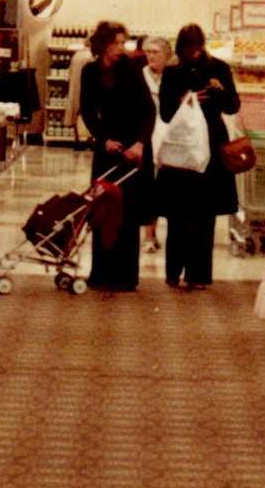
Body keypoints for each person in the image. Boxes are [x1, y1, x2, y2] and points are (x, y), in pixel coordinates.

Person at [156, 23, 240, 291]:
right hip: (183, 147)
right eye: (188, 48)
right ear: (181, 48)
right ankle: (173, 272)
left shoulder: (219, 68)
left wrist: (220, 90)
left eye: (198, 47)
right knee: (178, 214)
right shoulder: (172, 73)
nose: (194, 53)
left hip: (213, 145)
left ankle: (199, 275)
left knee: (205, 215)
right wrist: (186, 100)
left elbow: (232, 105)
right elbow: (167, 113)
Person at [78, 21, 155, 294]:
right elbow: (87, 111)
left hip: (133, 150)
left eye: (124, 43)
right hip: (107, 148)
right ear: (103, 44)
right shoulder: (89, 72)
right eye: (117, 43)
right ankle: (100, 273)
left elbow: (148, 110)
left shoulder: (131, 70)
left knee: (128, 212)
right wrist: (102, 139)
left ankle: (125, 277)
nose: (121, 49)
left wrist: (140, 144)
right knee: (102, 208)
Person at [136, 36, 171, 253]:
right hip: (148, 135)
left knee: (166, 187)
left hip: (171, 135)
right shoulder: (140, 76)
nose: (151, 56)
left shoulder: (174, 76)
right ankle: (149, 235)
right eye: (147, 52)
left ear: (167, 54)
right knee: (150, 186)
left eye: (155, 52)